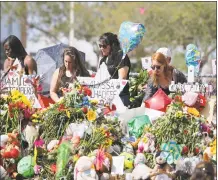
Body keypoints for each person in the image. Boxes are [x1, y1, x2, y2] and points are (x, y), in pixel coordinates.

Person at [98, 32, 131, 106]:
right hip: (105, 98)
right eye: (100, 46)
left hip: (120, 98)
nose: (101, 48)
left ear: (112, 45)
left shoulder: (121, 56)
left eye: (104, 46)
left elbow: (122, 78)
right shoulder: (102, 60)